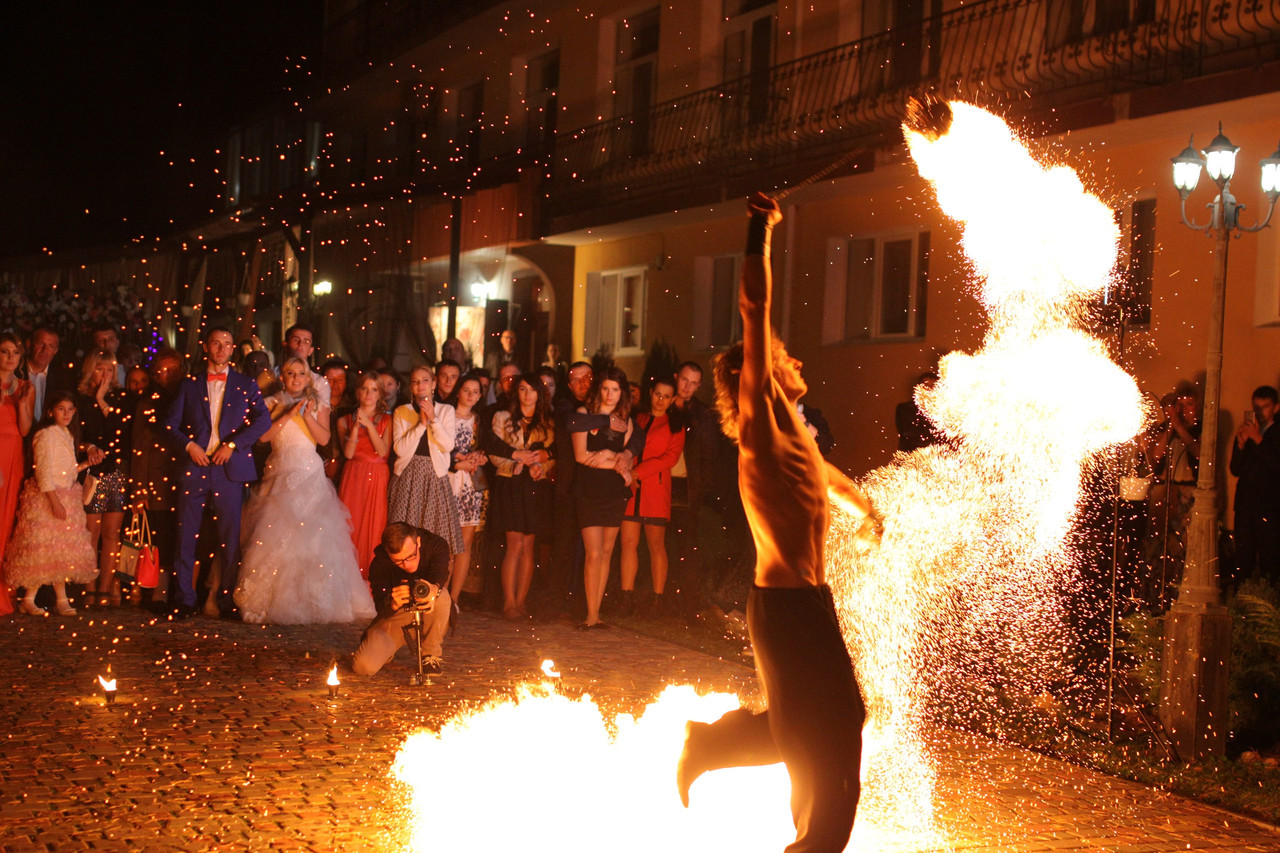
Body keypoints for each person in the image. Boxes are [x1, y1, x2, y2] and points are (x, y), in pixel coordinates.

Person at [676, 193, 877, 853]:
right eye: (783, 356)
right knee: (827, 727)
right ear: (755, 372)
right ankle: (808, 842)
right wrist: (760, 229)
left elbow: (824, 475)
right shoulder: (761, 416)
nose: (795, 362)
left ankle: (715, 743)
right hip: (787, 606)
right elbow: (754, 309)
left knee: (823, 724)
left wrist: (867, 509)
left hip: (804, 602)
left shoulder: (794, 430)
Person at [235, 358, 376, 624]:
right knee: (273, 537)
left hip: (309, 473)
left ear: (308, 378)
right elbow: (263, 437)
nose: (296, 378)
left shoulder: (317, 404)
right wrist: (288, 413)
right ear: (283, 377)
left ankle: (314, 600)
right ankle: (267, 599)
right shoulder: (272, 402)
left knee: (315, 539)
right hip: (279, 471)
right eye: (291, 374)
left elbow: (323, 439)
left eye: (301, 374)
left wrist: (306, 415)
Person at [164, 326, 272, 619]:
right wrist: (189, 447)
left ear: (233, 349)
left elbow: (263, 421)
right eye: (216, 343)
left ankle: (226, 599)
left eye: (227, 344)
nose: (222, 349)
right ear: (206, 347)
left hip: (229, 469)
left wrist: (234, 444)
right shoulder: (189, 385)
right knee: (186, 535)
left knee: (229, 538)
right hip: (195, 467)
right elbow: (169, 426)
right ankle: (184, 598)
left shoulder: (246, 384)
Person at [3, 391, 98, 615]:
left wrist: (86, 463)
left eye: (70, 409)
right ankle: (31, 598)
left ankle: (59, 600)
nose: (66, 414)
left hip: (66, 495)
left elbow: (65, 470)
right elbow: (44, 472)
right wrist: (54, 502)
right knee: (43, 549)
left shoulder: (67, 434)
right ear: (50, 412)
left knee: (60, 551)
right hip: (49, 498)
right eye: (61, 409)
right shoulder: (45, 435)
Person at [486, 374, 555, 621]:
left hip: (532, 486)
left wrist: (540, 468)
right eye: (523, 389)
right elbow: (494, 452)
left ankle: (522, 601)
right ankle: (509, 602)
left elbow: (550, 456)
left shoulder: (545, 424)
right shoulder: (502, 418)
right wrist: (515, 459)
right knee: (514, 544)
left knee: (529, 546)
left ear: (539, 394)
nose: (527, 395)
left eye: (532, 390)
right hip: (509, 483)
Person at [572, 366, 635, 629]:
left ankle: (597, 614)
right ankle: (589, 614)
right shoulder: (585, 415)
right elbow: (581, 455)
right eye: (606, 388)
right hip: (589, 489)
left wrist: (611, 457)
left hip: (614, 491)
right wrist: (613, 462)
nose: (610, 394)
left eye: (615, 389)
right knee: (593, 552)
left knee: (607, 552)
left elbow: (627, 458)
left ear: (622, 393)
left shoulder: (626, 421)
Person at [619, 376, 686, 616]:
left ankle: (658, 600)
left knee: (656, 546)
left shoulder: (674, 426)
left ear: (673, 400)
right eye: (658, 394)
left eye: (667, 396)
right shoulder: (638, 419)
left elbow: (670, 458)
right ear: (651, 393)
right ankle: (626, 597)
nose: (661, 400)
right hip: (631, 489)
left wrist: (639, 471)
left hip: (655, 492)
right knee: (628, 544)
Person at [351, 522, 452, 676]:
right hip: (396, 617)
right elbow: (380, 607)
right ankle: (387, 651)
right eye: (399, 561)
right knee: (363, 667)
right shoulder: (380, 564)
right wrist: (392, 603)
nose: (408, 565)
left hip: (428, 611)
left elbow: (440, 574)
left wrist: (432, 590)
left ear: (418, 542)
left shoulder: (436, 545)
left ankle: (430, 655)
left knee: (442, 595)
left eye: (411, 556)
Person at [128, 349, 185, 610]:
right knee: (158, 538)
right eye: (164, 370)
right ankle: (158, 592)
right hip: (158, 481)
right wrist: (140, 490)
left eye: (174, 369)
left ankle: (180, 591)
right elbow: (140, 449)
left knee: (181, 537)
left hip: (185, 479)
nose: (169, 375)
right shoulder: (148, 403)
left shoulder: (188, 396)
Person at [76, 349, 131, 607]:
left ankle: (106, 590)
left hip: (117, 471)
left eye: (110, 369)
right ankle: (89, 586)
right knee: (91, 532)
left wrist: (102, 400)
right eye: (100, 369)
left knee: (112, 532)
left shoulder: (121, 398)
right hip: (91, 471)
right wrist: (88, 447)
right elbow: (75, 435)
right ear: (90, 370)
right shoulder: (80, 400)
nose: (106, 374)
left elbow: (121, 432)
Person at [390, 366, 464, 555]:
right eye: (415, 381)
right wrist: (421, 424)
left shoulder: (446, 410)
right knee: (404, 534)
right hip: (408, 475)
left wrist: (433, 419)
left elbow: (447, 445)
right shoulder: (402, 411)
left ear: (433, 384)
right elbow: (400, 448)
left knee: (433, 534)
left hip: (434, 475)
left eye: (425, 380)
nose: (420, 385)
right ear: (410, 387)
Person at [1144, 386, 1202, 610]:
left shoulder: (1199, 430)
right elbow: (1153, 458)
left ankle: (1179, 598)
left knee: (1182, 549)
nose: (1184, 410)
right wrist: (1170, 426)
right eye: (1180, 405)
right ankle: (1152, 598)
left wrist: (1179, 426)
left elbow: (1200, 455)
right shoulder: (1164, 429)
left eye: (1189, 404)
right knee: (1155, 548)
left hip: (1187, 494)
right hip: (1162, 492)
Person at [337, 372, 392, 580]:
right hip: (354, 475)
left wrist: (369, 426)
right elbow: (348, 453)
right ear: (358, 392)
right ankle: (347, 578)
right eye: (365, 389)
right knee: (351, 525)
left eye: (374, 389)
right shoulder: (343, 420)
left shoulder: (387, 419)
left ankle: (370, 579)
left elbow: (383, 451)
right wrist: (355, 428)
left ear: (380, 394)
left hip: (377, 475)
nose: (369, 394)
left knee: (373, 527)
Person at [1229, 385, 1280, 586]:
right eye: (1256, 407)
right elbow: (1235, 469)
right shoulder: (1249, 430)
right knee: (1243, 557)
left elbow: (1276, 465)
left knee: (1270, 558)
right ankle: (1241, 597)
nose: (1260, 412)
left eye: (1265, 407)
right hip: (1245, 505)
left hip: (1270, 506)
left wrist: (1258, 439)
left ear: (1276, 408)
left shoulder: (1275, 433)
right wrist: (1241, 445)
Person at [0, 333, 36, 614]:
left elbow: (25, 430)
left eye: (15, 353)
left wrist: (22, 403)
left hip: (12, 455)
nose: (10, 357)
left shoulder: (25, 386)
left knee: (6, 524)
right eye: (4, 351)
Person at [446, 374, 488, 612]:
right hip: (450, 480)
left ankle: (454, 598)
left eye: (476, 391)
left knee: (465, 541)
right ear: (458, 392)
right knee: (449, 542)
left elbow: (484, 446)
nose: (471, 395)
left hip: (471, 483)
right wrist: (456, 461)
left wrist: (480, 454)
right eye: (466, 390)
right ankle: (441, 594)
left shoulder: (478, 420)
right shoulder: (446, 415)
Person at [17, 326, 64, 419]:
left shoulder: (62, 378)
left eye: (51, 346)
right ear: (29, 344)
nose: (45, 350)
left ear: (56, 351)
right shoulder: (15, 372)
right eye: (40, 344)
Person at [280, 324, 331, 408]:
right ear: (285, 345)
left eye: (306, 341)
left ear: (311, 350)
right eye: (295, 340)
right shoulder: (272, 376)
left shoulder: (319, 383)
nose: (300, 344)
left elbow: (323, 416)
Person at [895, 372, 939, 452]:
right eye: (926, 387)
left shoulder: (941, 412)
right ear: (918, 388)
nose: (929, 391)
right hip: (911, 458)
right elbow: (909, 435)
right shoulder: (905, 409)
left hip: (936, 459)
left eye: (932, 387)